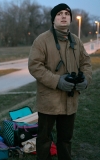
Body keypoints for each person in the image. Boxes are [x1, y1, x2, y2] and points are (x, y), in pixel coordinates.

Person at [28, 3, 92, 160]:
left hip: (70, 102)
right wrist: (57, 81)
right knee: (44, 140)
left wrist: (85, 78)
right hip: (48, 102)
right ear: (53, 19)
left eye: (66, 13)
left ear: (70, 18)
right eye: (59, 14)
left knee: (65, 141)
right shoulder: (42, 40)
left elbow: (86, 63)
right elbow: (34, 66)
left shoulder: (76, 41)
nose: (63, 16)